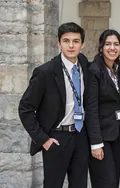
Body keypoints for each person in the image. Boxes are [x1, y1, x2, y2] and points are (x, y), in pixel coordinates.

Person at [18, 22, 90, 188]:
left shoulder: (85, 66)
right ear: (59, 43)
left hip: (80, 137)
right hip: (57, 138)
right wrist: (43, 139)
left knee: (80, 184)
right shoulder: (45, 72)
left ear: (82, 44)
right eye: (66, 41)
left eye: (76, 41)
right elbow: (25, 108)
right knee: (53, 184)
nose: (71, 45)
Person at [86, 29, 120, 188]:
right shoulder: (94, 71)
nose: (112, 48)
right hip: (101, 137)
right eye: (108, 44)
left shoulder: (119, 70)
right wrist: (96, 143)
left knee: (114, 181)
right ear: (101, 47)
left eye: (116, 44)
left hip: (117, 135)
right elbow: (91, 109)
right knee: (105, 182)